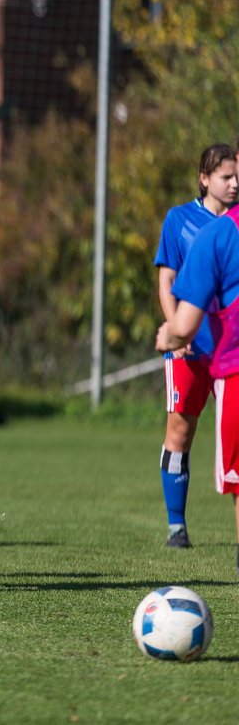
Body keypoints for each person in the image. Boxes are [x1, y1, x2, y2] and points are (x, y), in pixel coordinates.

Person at [155, 164, 239, 577]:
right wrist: (177, 332)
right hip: (190, 349)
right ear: (205, 178)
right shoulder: (181, 220)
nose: (233, 182)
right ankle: (177, 526)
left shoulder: (229, 228)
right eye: (226, 175)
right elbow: (167, 278)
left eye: (235, 175)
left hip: (228, 354)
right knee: (180, 431)